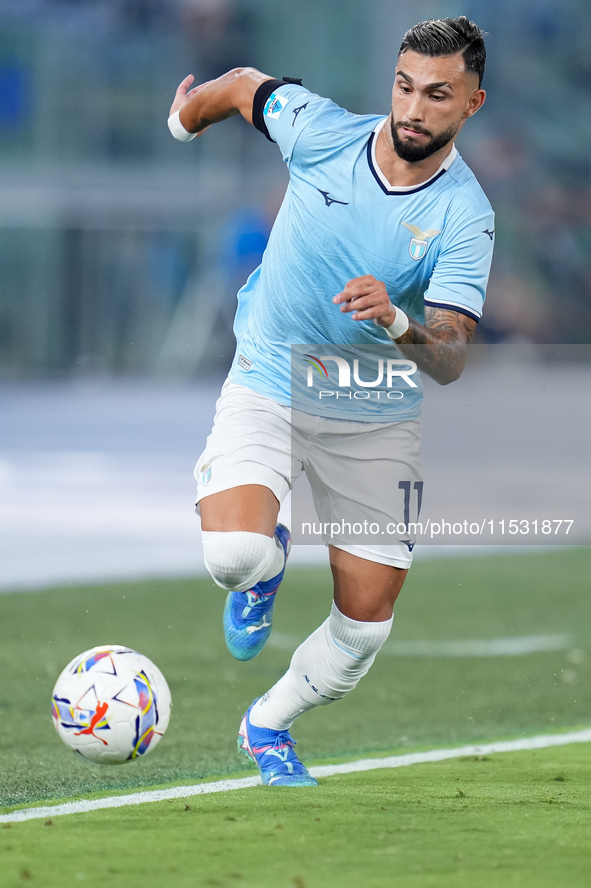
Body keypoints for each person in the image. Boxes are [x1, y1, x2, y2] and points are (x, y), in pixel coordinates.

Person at [167, 16, 494, 786]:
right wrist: (183, 120)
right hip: (270, 377)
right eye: (403, 87)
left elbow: (448, 358)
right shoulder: (321, 131)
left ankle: (266, 726)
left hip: (370, 408)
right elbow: (245, 88)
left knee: (365, 627)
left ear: (471, 104)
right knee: (234, 556)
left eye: (436, 95)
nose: (413, 110)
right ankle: (266, 564)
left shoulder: (465, 214)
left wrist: (396, 319)